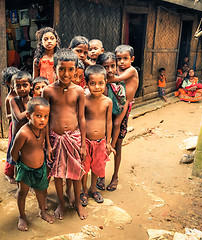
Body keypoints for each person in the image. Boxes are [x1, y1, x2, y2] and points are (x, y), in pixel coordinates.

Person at [42, 49, 87, 220]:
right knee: (58, 173)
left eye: (70, 69)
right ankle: (61, 202)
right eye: (61, 69)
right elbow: (46, 119)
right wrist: (47, 144)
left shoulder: (79, 91)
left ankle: (77, 203)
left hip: (74, 138)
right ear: (55, 69)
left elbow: (82, 118)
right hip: (55, 138)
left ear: (76, 70)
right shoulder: (48, 91)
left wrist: (83, 144)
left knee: (76, 172)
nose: (66, 73)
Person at [96, 45, 139, 192]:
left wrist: (100, 72)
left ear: (132, 59)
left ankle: (115, 176)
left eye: (125, 59)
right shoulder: (114, 70)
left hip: (125, 105)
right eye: (118, 59)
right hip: (111, 107)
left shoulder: (130, 71)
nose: (121, 62)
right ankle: (101, 175)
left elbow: (116, 79)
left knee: (117, 142)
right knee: (100, 143)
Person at [10, 97, 55, 231]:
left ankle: (42, 211)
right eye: (39, 116)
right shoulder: (23, 133)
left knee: (41, 191)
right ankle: (22, 216)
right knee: (22, 193)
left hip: (40, 168)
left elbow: (44, 141)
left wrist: (47, 149)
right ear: (29, 116)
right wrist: (21, 166)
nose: (43, 119)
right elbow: (14, 152)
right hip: (25, 169)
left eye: (46, 116)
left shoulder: (43, 128)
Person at [80, 65, 114, 207]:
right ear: (87, 84)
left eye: (101, 83)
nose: (97, 87)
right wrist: (81, 143)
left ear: (105, 82)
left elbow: (109, 122)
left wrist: (108, 142)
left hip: (101, 142)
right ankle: (84, 190)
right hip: (86, 141)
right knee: (84, 167)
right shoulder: (84, 100)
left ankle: (93, 188)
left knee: (97, 167)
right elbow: (81, 121)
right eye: (92, 83)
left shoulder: (107, 101)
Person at [6, 71, 32, 171]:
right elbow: (20, 117)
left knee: (29, 162)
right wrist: (29, 108)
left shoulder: (33, 101)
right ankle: (19, 186)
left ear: (31, 86)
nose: (22, 89)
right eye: (18, 86)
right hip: (17, 137)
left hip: (29, 139)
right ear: (13, 87)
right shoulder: (13, 100)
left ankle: (28, 185)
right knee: (18, 164)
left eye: (25, 85)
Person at [3, 67, 20, 184]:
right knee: (12, 148)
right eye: (15, 82)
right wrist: (17, 115)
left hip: (22, 124)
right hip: (14, 126)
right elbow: (7, 115)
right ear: (8, 83)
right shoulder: (9, 98)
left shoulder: (22, 95)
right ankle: (8, 173)